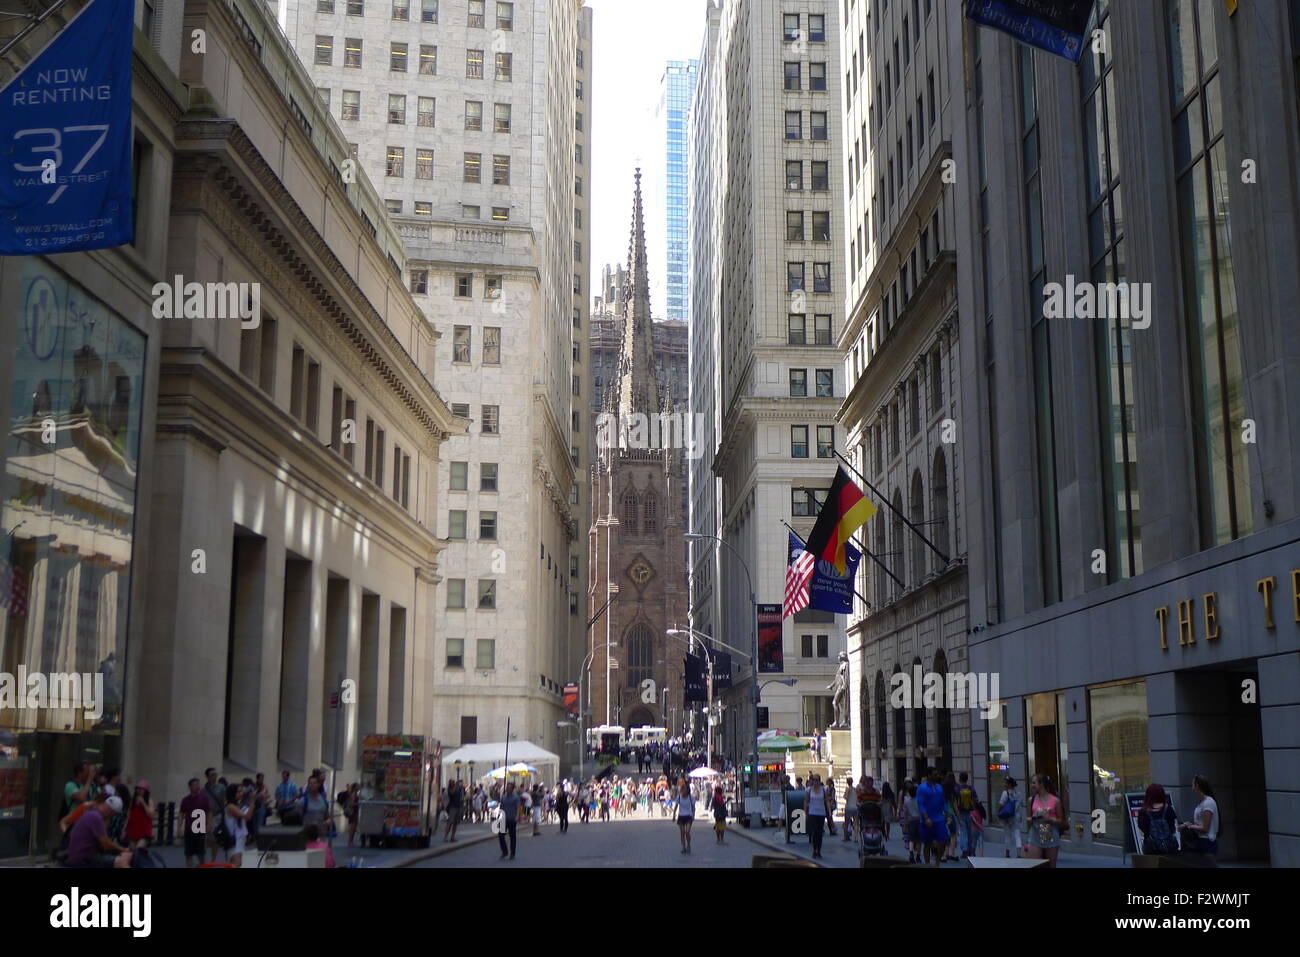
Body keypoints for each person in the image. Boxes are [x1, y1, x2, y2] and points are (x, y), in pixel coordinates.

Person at [67, 793, 130, 868]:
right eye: (113, 815)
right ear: (111, 812)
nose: (111, 817)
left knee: (120, 858)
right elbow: (106, 844)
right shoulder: (96, 817)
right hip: (82, 858)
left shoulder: (93, 812)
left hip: (80, 855)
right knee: (121, 862)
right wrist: (123, 849)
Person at [1026, 773, 1064, 868]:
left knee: (1051, 865)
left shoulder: (1055, 801)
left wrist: (1049, 819)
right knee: (1034, 865)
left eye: (1034, 783)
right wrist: (1034, 817)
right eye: (1031, 783)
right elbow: (1028, 819)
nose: (1032, 785)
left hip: (1050, 834)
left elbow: (1061, 821)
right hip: (1036, 835)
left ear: (1041, 784)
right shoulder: (1031, 800)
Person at [1178, 775, 1218, 865]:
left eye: (1193, 784)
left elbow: (1205, 828)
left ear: (1197, 786)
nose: (1192, 787)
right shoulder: (1202, 802)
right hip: (1201, 841)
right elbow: (1200, 824)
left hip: (1207, 842)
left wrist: (1189, 826)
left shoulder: (1208, 803)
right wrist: (1188, 824)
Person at [916, 769, 949, 867]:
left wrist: (947, 814)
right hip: (927, 820)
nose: (937, 776)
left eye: (937, 774)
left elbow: (943, 802)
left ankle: (937, 862)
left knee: (943, 840)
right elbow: (921, 804)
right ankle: (927, 864)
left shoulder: (939, 787)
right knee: (927, 843)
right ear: (929, 775)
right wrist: (926, 818)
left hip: (939, 819)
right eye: (935, 774)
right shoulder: (922, 788)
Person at [1138, 783, 1179, 856]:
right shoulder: (1168, 809)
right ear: (1162, 794)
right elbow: (1172, 828)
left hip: (1151, 847)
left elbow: (1142, 828)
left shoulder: (1143, 811)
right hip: (1169, 846)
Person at [177, 778, 207, 867]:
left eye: (198, 784)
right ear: (190, 787)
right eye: (195, 785)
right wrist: (179, 827)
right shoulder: (185, 800)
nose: (197, 787)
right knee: (188, 855)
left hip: (200, 830)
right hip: (189, 830)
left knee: (201, 855)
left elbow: (209, 812)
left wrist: (209, 824)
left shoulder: (204, 799)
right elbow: (181, 814)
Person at [223, 783, 254, 867]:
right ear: (232, 794)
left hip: (239, 840)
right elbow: (247, 816)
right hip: (234, 841)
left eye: (241, 791)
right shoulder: (230, 807)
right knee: (236, 864)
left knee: (236, 864)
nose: (241, 794)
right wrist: (252, 803)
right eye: (238, 792)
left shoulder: (236, 805)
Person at [955, 771, 981, 860]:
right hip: (970, 812)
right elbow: (976, 799)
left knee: (963, 832)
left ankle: (964, 850)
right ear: (967, 779)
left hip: (960, 812)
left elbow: (955, 801)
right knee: (970, 832)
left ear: (960, 778)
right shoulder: (971, 788)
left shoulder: (957, 789)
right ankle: (970, 849)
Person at [996, 776, 1023, 858]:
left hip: (1007, 817)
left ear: (1009, 784)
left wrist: (998, 811)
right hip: (1016, 816)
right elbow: (1020, 805)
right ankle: (1019, 853)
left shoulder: (1005, 793)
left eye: (1006, 782)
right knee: (1017, 834)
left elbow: (1001, 804)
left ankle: (1007, 853)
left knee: (1007, 835)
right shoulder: (1018, 794)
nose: (1004, 784)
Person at [125, 781, 155, 848]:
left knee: (139, 850)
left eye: (141, 789)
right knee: (132, 852)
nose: (139, 791)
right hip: (132, 829)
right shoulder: (133, 801)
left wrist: (143, 803)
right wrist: (124, 828)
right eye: (138, 789)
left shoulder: (149, 801)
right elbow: (128, 815)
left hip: (144, 830)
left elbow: (151, 815)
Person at [805, 773, 829, 858]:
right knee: (814, 832)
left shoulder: (824, 790)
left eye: (816, 780)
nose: (815, 781)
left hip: (821, 813)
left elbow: (826, 801)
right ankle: (814, 850)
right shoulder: (808, 790)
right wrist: (805, 812)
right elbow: (806, 801)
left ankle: (819, 850)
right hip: (812, 813)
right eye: (813, 780)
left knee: (819, 833)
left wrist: (828, 812)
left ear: (819, 781)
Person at [497, 782, 521, 860]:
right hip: (504, 819)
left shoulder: (516, 797)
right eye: (507, 787)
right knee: (501, 835)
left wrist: (517, 816)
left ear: (512, 789)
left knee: (512, 837)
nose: (507, 789)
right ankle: (505, 851)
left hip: (512, 819)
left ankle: (512, 853)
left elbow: (518, 807)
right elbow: (501, 807)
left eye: (509, 788)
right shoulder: (503, 797)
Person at [676, 778, 695, 854]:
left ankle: (689, 845)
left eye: (684, 789)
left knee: (687, 832)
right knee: (682, 833)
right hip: (681, 816)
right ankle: (683, 847)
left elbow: (693, 807)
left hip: (689, 816)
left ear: (687, 790)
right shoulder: (679, 797)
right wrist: (674, 815)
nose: (683, 791)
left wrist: (693, 815)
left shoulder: (691, 798)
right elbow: (676, 806)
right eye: (682, 789)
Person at [444, 778, 464, 842]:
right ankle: (445, 836)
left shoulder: (458, 789)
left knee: (455, 823)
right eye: (452, 782)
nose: (454, 783)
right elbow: (452, 793)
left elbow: (461, 796)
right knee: (450, 822)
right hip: (452, 807)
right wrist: (456, 786)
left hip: (458, 807)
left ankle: (452, 836)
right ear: (450, 783)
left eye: (454, 782)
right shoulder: (449, 789)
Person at [841, 776, 857, 842]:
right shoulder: (855, 789)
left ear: (847, 782)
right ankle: (856, 838)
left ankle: (845, 837)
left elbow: (846, 797)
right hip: (855, 807)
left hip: (848, 807)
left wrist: (844, 795)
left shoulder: (848, 789)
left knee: (846, 823)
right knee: (856, 823)